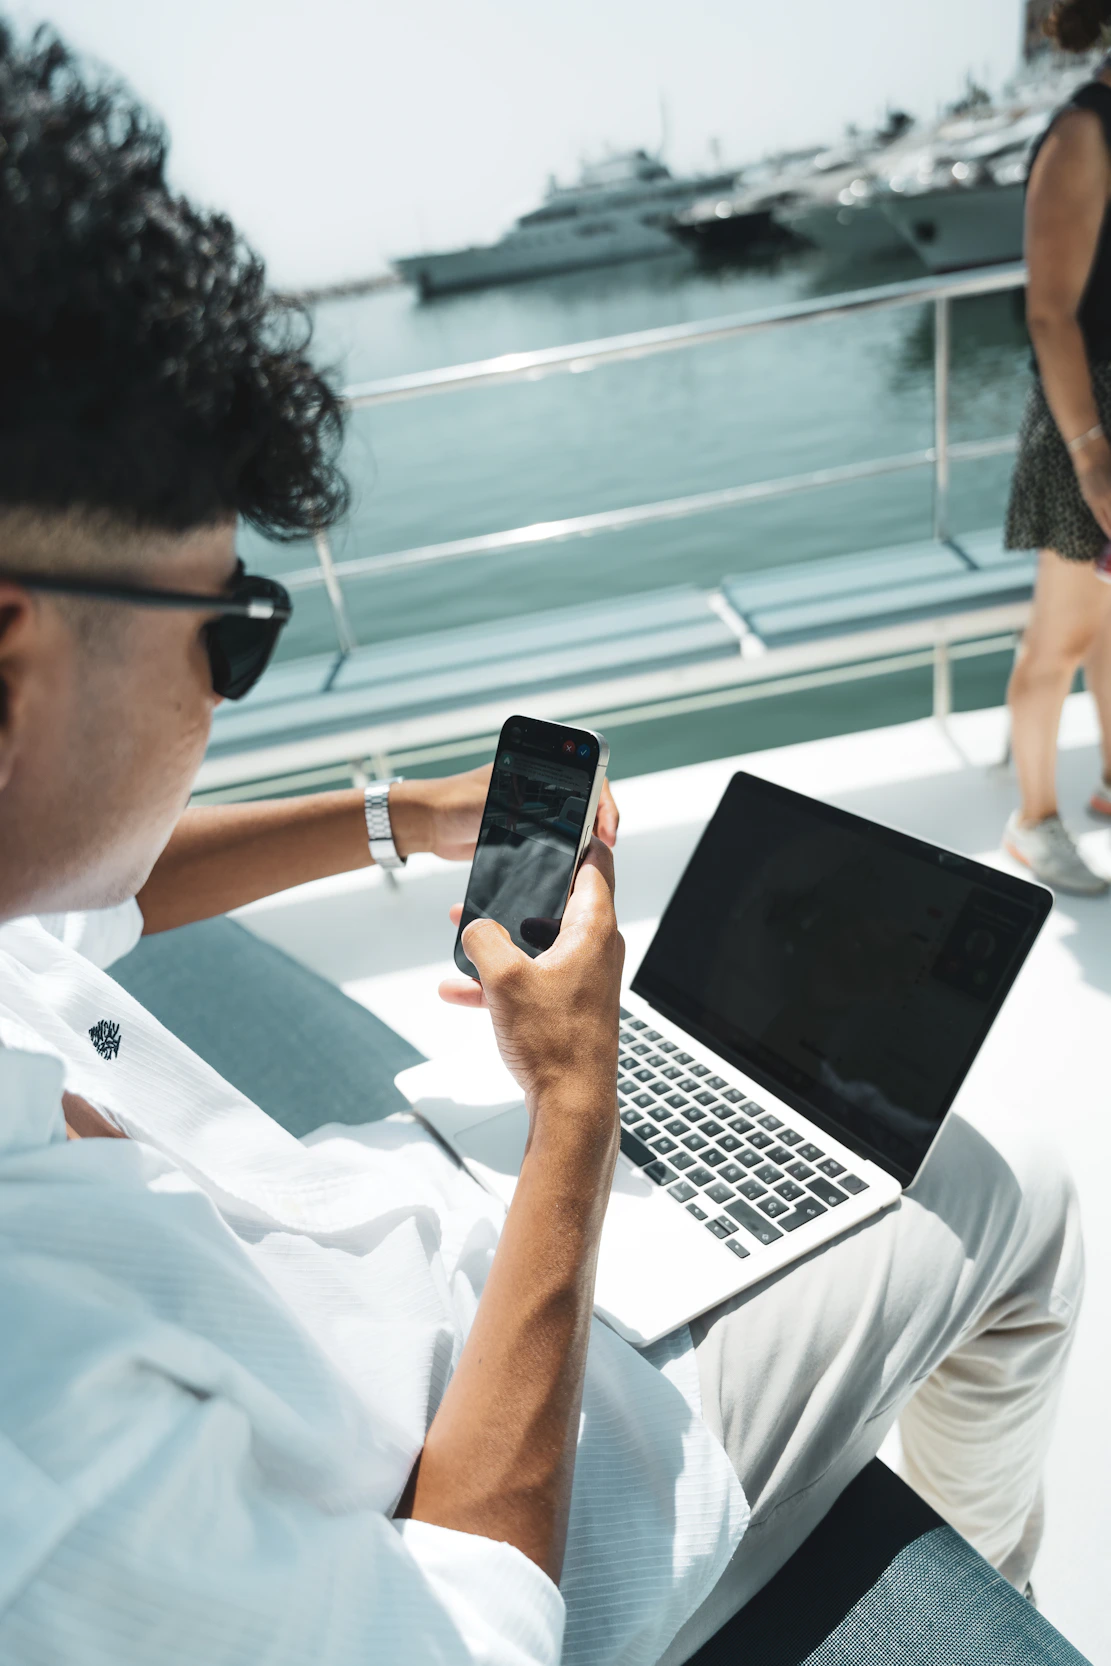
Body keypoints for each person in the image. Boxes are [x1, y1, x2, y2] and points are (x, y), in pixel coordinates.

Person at [0, 22, 1083, 1666]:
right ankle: (968, 1602)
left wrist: (402, 817)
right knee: (1019, 1195)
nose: (233, 681)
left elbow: (76, 897)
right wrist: (579, 1115)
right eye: (232, 629)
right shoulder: (41, 1464)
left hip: (403, 1245)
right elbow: (474, 1637)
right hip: (556, 1480)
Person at [1003, 0, 1111, 893]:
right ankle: (1032, 819)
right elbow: (1049, 312)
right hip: (1090, 423)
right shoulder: (1083, 132)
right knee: (1063, 634)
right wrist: (1091, 456)